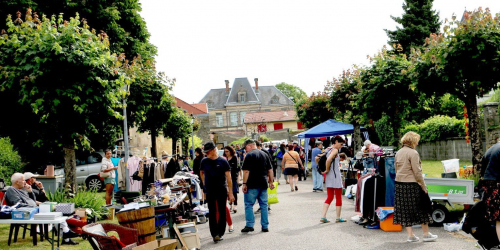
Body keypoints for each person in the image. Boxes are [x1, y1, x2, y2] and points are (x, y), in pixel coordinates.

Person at [6, 173, 80, 245]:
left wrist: (30, 192)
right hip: (27, 213)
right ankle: (66, 234)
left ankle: (66, 236)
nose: (25, 182)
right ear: (17, 182)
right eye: (23, 180)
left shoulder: (22, 189)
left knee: (58, 212)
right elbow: (18, 205)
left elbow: (33, 201)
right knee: (55, 213)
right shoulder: (11, 190)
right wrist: (36, 207)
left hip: (34, 210)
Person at [393, 131, 437, 243]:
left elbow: (396, 169)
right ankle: (426, 234)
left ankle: (410, 235)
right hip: (412, 184)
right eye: (417, 141)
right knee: (422, 208)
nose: (417, 143)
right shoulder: (413, 153)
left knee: (405, 210)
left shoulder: (398, 152)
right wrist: (423, 186)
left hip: (399, 184)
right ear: (413, 141)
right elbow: (417, 172)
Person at [200, 142, 235, 243]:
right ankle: (214, 234)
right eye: (205, 152)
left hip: (221, 188)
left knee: (222, 210)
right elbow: (201, 172)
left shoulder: (223, 161)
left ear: (214, 150)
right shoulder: (204, 161)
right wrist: (204, 184)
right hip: (210, 189)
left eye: (208, 152)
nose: (206, 154)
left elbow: (229, 177)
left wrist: (231, 192)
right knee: (212, 211)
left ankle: (220, 233)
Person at [241, 139, 275, 233]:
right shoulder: (264, 154)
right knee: (264, 205)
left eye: (246, 147)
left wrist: (244, 183)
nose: (245, 150)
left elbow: (246, 171)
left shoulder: (249, 155)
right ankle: (265, 226)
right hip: (263, 183)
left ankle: (249, 225)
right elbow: (270, 170)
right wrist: (271, 182)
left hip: (252, 183)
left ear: (250, 146)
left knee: (249, 204)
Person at [320, 136, 346, 223]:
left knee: (329, 197)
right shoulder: (335, 150)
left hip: (329, 176)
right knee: (338, 196)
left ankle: (323, 216)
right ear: (336, 141)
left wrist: (325, 170)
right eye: (341, 144)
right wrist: (327, 169)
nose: (341, 146)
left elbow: (317, 158)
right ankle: (338, 217)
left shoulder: (327, 149)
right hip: (336, 176)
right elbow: (328, 160)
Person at [480, 140, 500, 246]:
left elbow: (483, 170)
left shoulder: (490, 149)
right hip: (498, 184)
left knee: (497, 218)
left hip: (489, 185)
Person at [256, 141, 273, 214]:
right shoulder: (261, 152)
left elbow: (269, 166)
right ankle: (264, 207)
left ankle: (266, 207)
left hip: (265, 175)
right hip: (263, 176)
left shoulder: (264, 153)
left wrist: (270, 178)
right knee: (262, 193)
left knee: (265, 193)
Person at [224, 146, 241, 213]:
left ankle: (235, 205)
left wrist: (239, 178)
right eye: (225, 152)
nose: (226, 153)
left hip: (233, 177)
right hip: (225, 178)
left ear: (230, 151)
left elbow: (238, 169)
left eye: (227, 151)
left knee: (234, 192)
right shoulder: (224, 159)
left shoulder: (234, 158)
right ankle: (230, 206)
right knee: (227, 192)